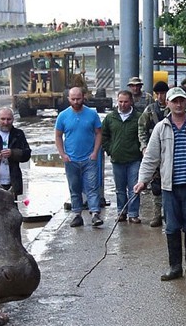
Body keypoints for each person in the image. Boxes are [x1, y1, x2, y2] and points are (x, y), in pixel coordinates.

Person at [134, 87, 186, 281]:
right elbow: (151, 158)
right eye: (174, 101)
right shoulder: (161, 128)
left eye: (181, 100)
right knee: (171, 227)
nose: (178, 104)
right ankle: (174, 267)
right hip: (169, 187)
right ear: (168, 104)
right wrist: (142, 181)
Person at [55, 86, 103, 227]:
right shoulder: (62, 116)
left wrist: (95, 152)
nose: (76, 101)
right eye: (73, 99)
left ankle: (95, 214)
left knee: (92, 187)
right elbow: (58, 136)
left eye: (78, 98)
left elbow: (98, 133)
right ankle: (77, 214)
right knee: (74, 187)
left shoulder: (92, 114)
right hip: (71, 159)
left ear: (84, 98)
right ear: (68, 99)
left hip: (89, 158)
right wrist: (63, 154)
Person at [102, 90, 142, 223]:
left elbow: (144, 136)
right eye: (120, 101)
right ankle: (121, 212)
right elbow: (103, 136)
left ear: (131, 102)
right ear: (117, 101)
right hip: (117, 159)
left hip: (134, 159)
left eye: (125, 102)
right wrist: (110, 150)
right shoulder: (110, 118)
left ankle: (133, 213)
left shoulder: (138, 117)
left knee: (134, 188)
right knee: (119, 189)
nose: (123, 104)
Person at [138, 80, 170, 227]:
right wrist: (144, 147)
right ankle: (157, 215)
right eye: (158, 94)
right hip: (155, 152)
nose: (160, 97)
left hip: (171, 153)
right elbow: (142, 129)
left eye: (163, 94)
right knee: (156, 187)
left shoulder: (173, 109)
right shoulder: (150, 110)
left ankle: (170, 215)